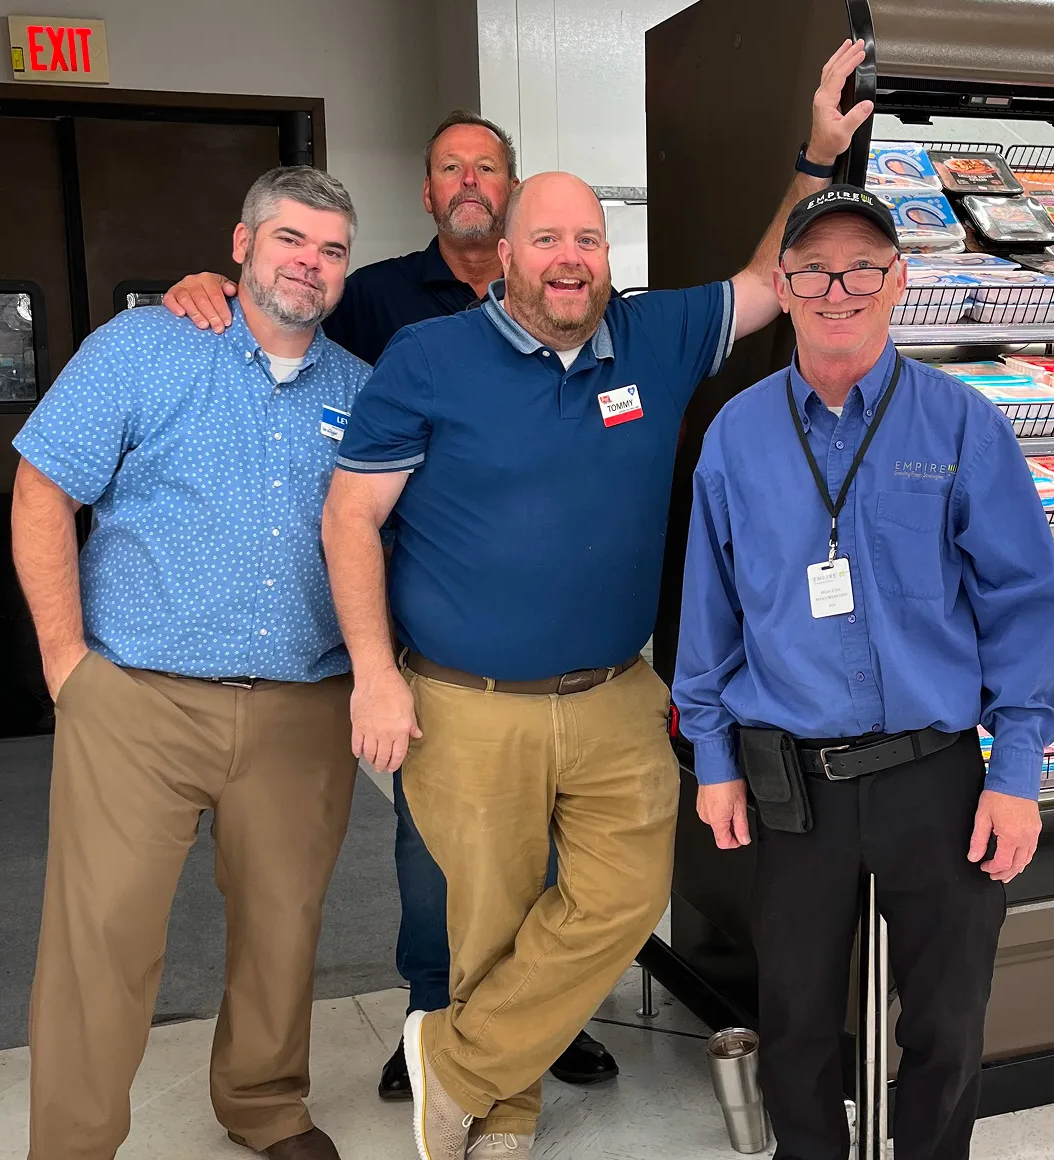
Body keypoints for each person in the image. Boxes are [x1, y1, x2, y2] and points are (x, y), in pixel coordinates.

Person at [319, 40, 877, 1160]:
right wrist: (374, 671)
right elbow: (348, 517)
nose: (569, 258)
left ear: (602, 252)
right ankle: (501, 1112)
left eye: (586, 238)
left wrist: (819, 150)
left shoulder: (655, 334)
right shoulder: (426, 357)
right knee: (486, 926)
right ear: (504, 254)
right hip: (468, 701)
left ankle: (459, 1062)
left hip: (621, 692)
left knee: (622, 899)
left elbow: (772, 285)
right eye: (547, 239)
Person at [162, 109, 623, 1096]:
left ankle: (534, 1022)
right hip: (428, 629)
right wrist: (205, 282)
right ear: (426, 193)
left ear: (511, 196)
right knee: (433, 850)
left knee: (545, 838)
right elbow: (275, 320)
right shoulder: (370, 298)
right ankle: (430, 1014)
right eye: (448, 166)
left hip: (546, 632)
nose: (467, 179)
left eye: (486, 166)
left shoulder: (567, 298)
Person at [672, 185, 1054, 1160]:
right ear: (783, 283)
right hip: (790, 782)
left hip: (936, 777)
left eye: (859, 267)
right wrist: (712, 754)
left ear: (896, 281)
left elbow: (1023, 601)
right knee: (797, 1020)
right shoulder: (736, 433)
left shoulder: (960, 424)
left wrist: (1015, 771)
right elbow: (709, 610)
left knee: (943, 1023)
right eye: (811, 269)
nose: (834, 287)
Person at [11, 166, 369, 1160]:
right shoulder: (143, 350)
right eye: (291, 239)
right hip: (135, 699)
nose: (311, 263)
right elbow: (41, 490)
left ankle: (263, 1104)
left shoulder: (359, 392)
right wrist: (65, 665)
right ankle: (72, 1143)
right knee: (103, 939)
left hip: (302, 705)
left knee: (282, 926)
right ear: (242, 244)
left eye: (332, 249)